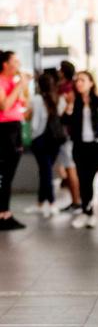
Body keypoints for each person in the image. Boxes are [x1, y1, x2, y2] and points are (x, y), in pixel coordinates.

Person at [63, 71, 98, 229]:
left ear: (91, 83)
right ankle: (86, 211)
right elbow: (64, 121)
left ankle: (88, 211)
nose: (79, 83)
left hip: (96, 146)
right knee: (82, 178)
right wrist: (69, 106)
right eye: (77, 80)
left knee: (89, 179)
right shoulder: (74, 102)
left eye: (82, 80)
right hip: (79, 146)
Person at [24, 73, 65, 218]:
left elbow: (27, 116)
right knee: (45, 171)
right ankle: (41, 203)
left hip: (40, 139)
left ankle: (51, 203)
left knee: (45, 171)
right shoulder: (60, 99)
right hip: (55, 140)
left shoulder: (36, 99)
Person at [0, 51, 29, 231]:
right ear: (5, 64)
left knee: (8, 174)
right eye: (15, 61)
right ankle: (3, 213)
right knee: (4, 174)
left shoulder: (12, 81)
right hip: (4, 130)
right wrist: (19, 86)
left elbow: (23, 102)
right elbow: (4, 106)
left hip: (15, 128)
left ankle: (5, 212)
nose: (18, 64)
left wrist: (22, 86)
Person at [56, 60, 82, 213]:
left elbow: (67, 111)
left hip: (68, 135)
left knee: (70, 167)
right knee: (69, 167)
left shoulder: (67, 89)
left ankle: (77, 201)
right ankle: (75, 201)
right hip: (68, 135)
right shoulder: (67, 88)